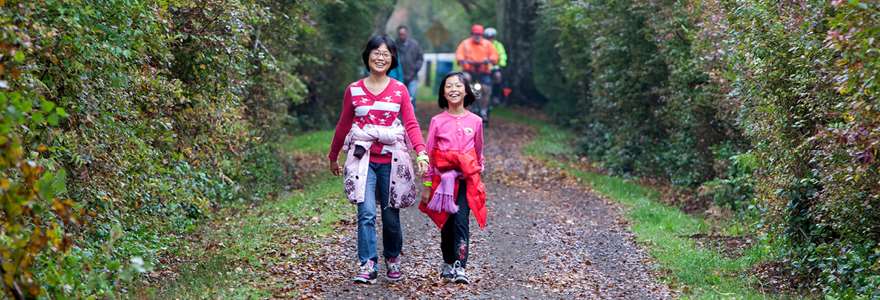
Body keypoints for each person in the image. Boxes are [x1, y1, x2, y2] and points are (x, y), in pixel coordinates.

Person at [328, 35, 429, 284]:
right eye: (376, 52)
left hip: (392, 163)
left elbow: (411, 124)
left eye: (386, 53)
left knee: (390, 216)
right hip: (363, 162)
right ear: (368, 55)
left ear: (392, 58)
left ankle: (392, 257)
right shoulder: (353, 90)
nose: (380, 57)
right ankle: (368, 263)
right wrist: (333, 156)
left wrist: (421, 151)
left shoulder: (399, 90)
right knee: (366, 214)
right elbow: (343, 125)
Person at [419, 72, 488, 285]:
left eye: (458, 86)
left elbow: (478, 151)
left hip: (466, 181)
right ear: (443, 92)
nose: (454, 90)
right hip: (443, 183)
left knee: (461, 221)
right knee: (447, 223)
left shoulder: (475, 121)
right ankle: (448, 262)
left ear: (466, 90)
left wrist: (477, 170)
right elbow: (429, 154)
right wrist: (428, 185)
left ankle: (460, 265)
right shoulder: (437, 121)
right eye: (449, 86)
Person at [455, 24, 498, 121]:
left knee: (486, 89)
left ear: (482, 35)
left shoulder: (488, 44)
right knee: (465, 79)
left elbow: (494, 56)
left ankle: (483, 110)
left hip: (483, 72)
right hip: (469, 71)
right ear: (472, 34)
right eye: (475, 34)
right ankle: (466, 106)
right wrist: (462, 60)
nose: (477, 36)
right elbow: (459, 55)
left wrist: (490, 60)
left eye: (479, 34)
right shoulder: (465, 44)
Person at [396, 25, 424, 107]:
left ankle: (412, 116)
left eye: (403, 34)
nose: (402, 36)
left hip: (412, 76)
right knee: (399, 99)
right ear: (398, 34)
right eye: (400, 34)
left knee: (412, 97)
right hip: (399, 77)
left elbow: (420, 58)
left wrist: (416, 68)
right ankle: (401, 117)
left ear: (407, 33)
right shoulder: (395, 45)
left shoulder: (414, 44)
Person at [483, 27, 507, 105]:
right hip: (481, 68)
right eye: (488, 37)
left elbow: (502, 54)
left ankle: (496, 96)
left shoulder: (498, 45)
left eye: (491, 37)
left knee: (498, 76)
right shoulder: (482, 44)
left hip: (494, 67)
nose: (490, 39)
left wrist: (501, 63)